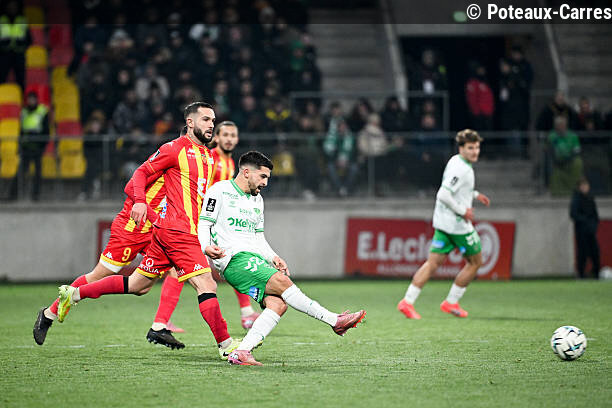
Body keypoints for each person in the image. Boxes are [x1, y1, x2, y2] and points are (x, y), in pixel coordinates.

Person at [52, 102, 242, 360]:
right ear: (190, 122)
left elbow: (199, 199)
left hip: (170, 231)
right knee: (206, 284)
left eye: (213, 120)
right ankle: (226, 344)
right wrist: (141, 202)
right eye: (206, 119)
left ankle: (74, 294)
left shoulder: (208, 157)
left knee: (138, 285)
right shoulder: (174, 149)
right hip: (174, 231)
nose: (211, 125)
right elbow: (139, 174)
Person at [198, 151, 366, 365]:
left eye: (268, 178)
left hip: (252, 259)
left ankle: (242, 352)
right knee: (282, 282)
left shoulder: (257, 200)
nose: (265, 183)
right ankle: (334, 320)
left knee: (278, 304)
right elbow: (204, 223)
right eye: (263, 176)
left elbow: (258, 237)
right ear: (246, 172)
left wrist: (273, 257)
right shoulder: (219, 191)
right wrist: (206, 247)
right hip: (233, 259)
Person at [146, 120, 261, 336]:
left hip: (210, 221)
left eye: (233, 135)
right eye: (225, 135)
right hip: (196, 221)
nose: (229, 139)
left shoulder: (229, 163)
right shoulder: (210, 158)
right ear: (216, 137)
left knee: (227, 260)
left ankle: (162, 321)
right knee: (180, 270)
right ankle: (161, 322)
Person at [397, 129, 490, 319]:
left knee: (433, 263)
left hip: (443, 223)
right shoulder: (462, 169)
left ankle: (407, 301)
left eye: (477, 147)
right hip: (457, 226)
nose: (475, 152)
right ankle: (451, 302)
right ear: (461, 148)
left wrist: (474, 195)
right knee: (476, 262)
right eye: (470, 148)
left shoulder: (456, 161)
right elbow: (444, 194)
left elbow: (455, 189)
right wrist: (463, 211)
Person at [9, 91, 49, 201]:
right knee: (21, 172)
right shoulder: (24, 112)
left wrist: (42, 145)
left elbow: (46, 130)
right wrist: (19, 145)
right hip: (26, 147)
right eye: (29, 99)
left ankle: (36, 195)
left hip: (37, 147)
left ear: (36, 100)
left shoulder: (42, 111)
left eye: (33, 99)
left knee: (37, 173)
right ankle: (13, 194)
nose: (31, 101)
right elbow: (21, 130)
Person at [570, 178, 600, 279]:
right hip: (581, 231)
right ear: (579, 187)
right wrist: (585, 221)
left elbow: (595, 215)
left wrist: (594, 225)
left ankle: (596, 272)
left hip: (591, 231)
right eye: (582, 186)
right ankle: (581, 273)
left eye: (586, 186)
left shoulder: (591, 198)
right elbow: (573, 214)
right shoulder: (576, 199)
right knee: (582, 252)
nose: (585, 188)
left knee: (595, 251)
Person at [548, 115, 582, 196]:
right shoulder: (552, 136)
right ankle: (557, 192)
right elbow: (550, 149)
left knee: (578, 162)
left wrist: (569, 158)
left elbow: (577, 150)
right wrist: (556, 160)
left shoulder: (573, 136)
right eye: (559, 125)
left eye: (562, 125)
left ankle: (574, 189)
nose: (561, 127)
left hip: (570, 159)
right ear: (556, 126)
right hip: (557, 160)